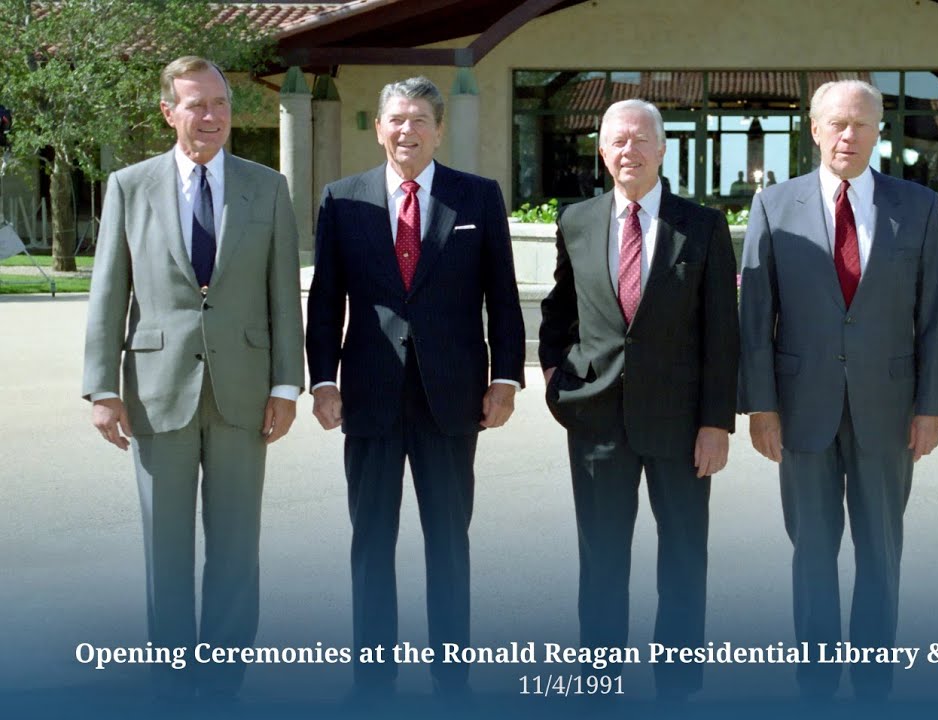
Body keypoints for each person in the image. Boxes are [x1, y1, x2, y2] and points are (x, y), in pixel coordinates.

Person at [81, 56, 304, 702]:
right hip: (155, 392)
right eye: (195, 105)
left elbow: (283, 294)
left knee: (236, 548)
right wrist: (102, 387)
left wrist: (287, 384)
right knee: (166, 551)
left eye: (219, 104)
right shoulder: (130, 185)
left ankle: (223, 683)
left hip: (244, 391)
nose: (210, 117)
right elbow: (107, 292)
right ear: (168, 112)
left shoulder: (267, 187)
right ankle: (173, 681)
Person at [305, 76, 525, 702]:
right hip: (369, 395)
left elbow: (502, 299)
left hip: (452, 398)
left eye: (420, 120)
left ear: (439, 129)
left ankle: (451, 677)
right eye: (396, 119)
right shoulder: (342, 200)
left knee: (449, 543)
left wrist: (505, 378)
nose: (407, 131)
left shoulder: (477, 198)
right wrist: (323, 380)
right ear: (379, 128)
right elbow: (326, 302)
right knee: (371, 543)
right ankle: (373, 678)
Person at [737, 79, 938, 701]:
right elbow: (756, 316)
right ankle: (815, 676)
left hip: (890, 408)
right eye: (836, 123)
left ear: (879, 129)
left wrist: (933, 407)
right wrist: (761, 406)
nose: (848, 135)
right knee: (811, 550)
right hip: (801, 408)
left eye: (861, 123)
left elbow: (935, 314)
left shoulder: (918, 205)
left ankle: (874, 678)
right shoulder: (775, 205)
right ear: (814, 129)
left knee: (882, 550)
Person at [538, 99, 739, 701]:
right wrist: (558, 380)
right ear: (603, 151)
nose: (629, 151)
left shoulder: (700, 226)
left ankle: (677, 684)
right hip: (596, 417)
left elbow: (721, 334)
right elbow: (559, 311)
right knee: (600, 560)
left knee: (682, 558)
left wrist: (715, 423)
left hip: (681, 427)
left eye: (640, 140)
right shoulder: (577, 220)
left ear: (662, 149)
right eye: (617, 142)